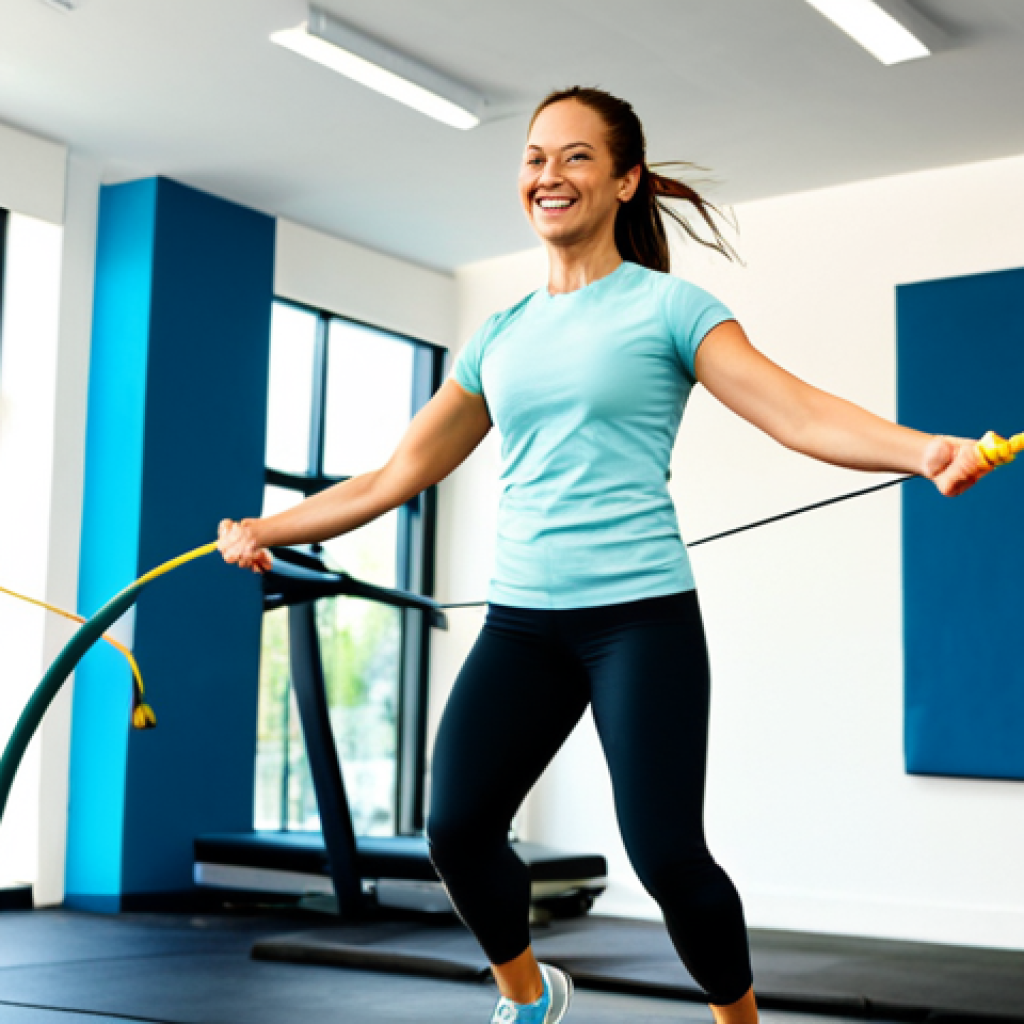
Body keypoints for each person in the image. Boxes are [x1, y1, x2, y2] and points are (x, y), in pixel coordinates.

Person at [218, 87, 990, 1024]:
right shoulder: (500, 335)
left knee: (667, 859)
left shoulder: (670, 308)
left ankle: (739, 1022)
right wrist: (267, 529)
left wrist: (925, 450)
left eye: (576, 156)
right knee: (457, 828)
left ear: (626, 181)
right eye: (535, 157)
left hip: (639, 621)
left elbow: (795, 410)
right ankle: (530, 997)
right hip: (522, 627)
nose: (549, 174)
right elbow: (394, 475)